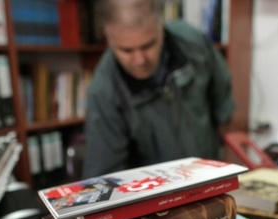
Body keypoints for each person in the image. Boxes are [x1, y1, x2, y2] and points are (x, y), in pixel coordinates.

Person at [82, 0, 235, 178]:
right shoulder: (103, 92)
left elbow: (224, 107)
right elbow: (106, 178)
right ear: (108, 38)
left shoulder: (194, 43)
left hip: (210, 175)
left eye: (148, 46)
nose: (140, 60)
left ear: (161, 25)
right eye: (126, 50)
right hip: (154, 197)